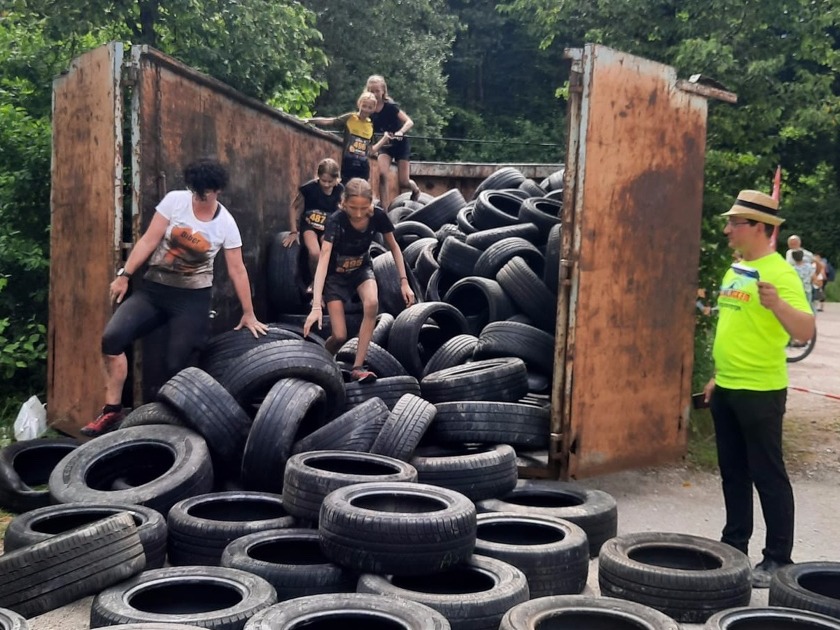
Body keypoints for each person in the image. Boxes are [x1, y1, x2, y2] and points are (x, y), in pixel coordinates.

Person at [82, 159, 268, 437]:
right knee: (112, 339)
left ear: (218, 190)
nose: (200, 199)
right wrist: (125, 275)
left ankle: (181, 427)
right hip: (155, 291)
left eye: (206, 194)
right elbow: (149, 240)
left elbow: (237, 269)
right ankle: (112, 411)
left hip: (192, 300)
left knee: (175, 364)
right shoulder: (175, 201)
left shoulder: (226, 224)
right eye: (196, 192)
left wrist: (249, 313)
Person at [702, 190, 815, 589]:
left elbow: (805, 330)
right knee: (733, 473)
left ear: (759, 228)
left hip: (761, 390)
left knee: (767, 474)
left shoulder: (780, 273)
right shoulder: (736, 269)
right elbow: (731, 326)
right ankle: (735, 546)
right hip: (728, 386)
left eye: (735, 223)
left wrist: (778, 305)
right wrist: (717, 375)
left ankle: (778, 557)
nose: (727, 230)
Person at [303, 177, 414, 382]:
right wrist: (317, 304)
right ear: (343, 202)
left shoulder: (378, 216)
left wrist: (404, 281)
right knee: (339, 336)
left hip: (361, 270)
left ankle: (358, 367)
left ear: (371, 203)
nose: (359, 213)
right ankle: (320, 360)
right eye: (353, 208)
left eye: (364, 208)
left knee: (372, 303)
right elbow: (323, 259)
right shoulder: (336, 221)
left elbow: (395, 248)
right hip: (335, 277)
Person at [305, 92, 391, 185]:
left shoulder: (371, 125)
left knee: (361, 189)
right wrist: (309, 120)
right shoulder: (350, 117)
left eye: (370, 107)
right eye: (364, 106)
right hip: (348, 163)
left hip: (363, 166)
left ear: (373, 109)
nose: (366, 110)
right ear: (359, 104)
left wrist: (384, 139)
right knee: (346, 188)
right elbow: (330, 121)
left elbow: (371, 151)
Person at [282, 158, 343, 286]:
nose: (326, 184)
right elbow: (293, 207)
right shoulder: (309, 188)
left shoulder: (340, 190)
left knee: (328, 251)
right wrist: (293, 231)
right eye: (323, 181)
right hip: (310, 226)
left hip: (328, 227)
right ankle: (315, 282)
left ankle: (329, 281)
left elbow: (345, 211)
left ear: (336, 179)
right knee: (315, 253)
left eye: (330, 181)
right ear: (318, 177)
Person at [366, 74, 422, 209]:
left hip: (400, 144)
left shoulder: (390, 106)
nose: (374, 94)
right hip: (385, 145)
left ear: (383, 91)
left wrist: (400, 132)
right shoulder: (369, 108)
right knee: (382, 174)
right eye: (371, 91)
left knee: (403, 182)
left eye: (377, 91)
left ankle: (415, 189)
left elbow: (409, 122)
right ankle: (384, 208)